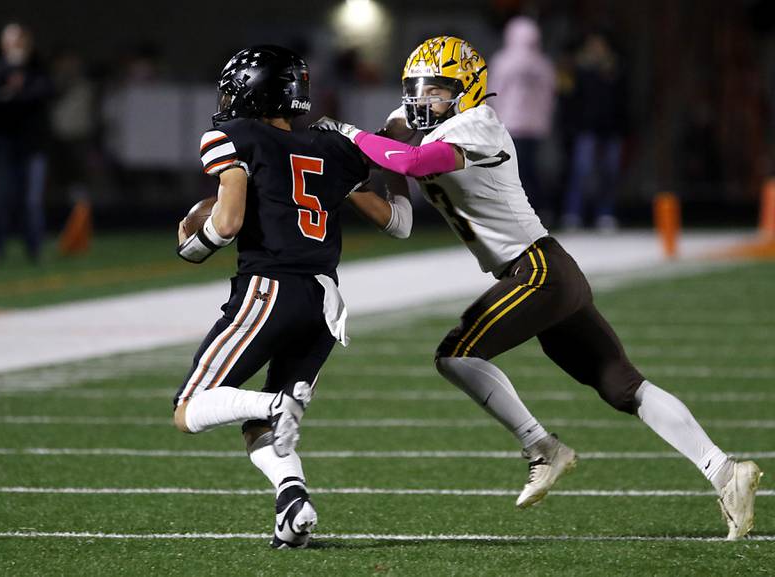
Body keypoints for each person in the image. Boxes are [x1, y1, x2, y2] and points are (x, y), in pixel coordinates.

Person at [311, 35, 762, 540]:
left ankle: (541, 447)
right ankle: (726, 472)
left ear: (468, 89)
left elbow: (412, 163)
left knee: (455, 356)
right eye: (418, 90)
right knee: (623, 386)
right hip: (547, 271)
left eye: (437, 91)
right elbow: (399, 215)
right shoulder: (428, 121)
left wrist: (351, 134)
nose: (423, 101)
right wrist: (352, 170)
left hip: (537, 270)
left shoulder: (476, 125)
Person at [172, 45, 411, 549]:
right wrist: (400, 168)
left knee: (190, 408)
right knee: (259, 425)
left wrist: (196, 242)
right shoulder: (328, 147)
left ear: (251, 92)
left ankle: (278, 404)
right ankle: (292, 502)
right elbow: (397, 223)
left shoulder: (231, 135)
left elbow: (230, 220)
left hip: (270, 290)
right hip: (325, 303)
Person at [0, 22, 53, 264]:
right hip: (4, 145)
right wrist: (9, 71)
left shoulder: (37, 68)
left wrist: (12, 95)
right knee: (1, 199)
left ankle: (35, 249)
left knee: (31, 201)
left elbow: (41, 93)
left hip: (32, 146)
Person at [488, 17, 556, 225]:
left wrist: (491, 119)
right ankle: (535, 210)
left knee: (510, 170)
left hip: (509, 124)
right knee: (530, 169)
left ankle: (515, 212)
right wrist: (546, 121)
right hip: (534, 126)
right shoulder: (543, 63)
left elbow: (493, 92)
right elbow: (549, 96)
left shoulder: (503, 60)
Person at [561, 31, 628, 231]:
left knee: (610, 172)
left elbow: (622, 100)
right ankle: (573, 214)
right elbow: (571, 99)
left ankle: (605, 213)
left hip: (611, 128)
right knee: (582, 171)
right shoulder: (580, 70)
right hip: (586, 128)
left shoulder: (614, 70)